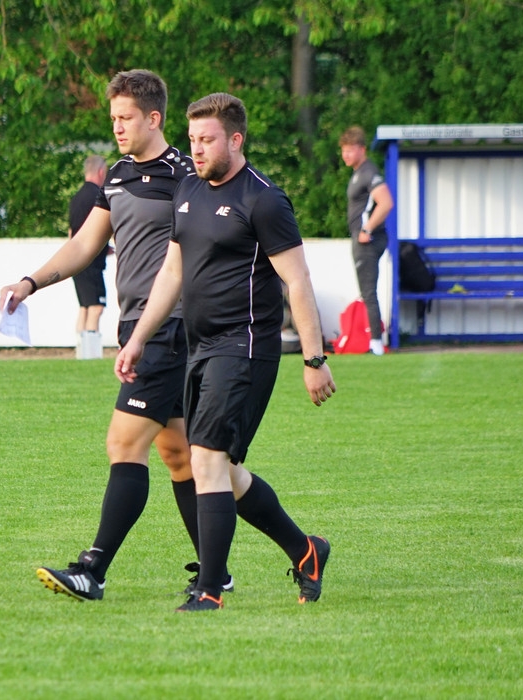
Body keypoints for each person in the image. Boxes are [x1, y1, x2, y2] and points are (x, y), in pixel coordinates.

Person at [0, 69, 226, 601]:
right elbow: (85, 246)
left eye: (126, 118)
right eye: (113, 118)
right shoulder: (119, 175)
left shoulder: (185, 175)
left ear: (154, 118)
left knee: (124, 443)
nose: (117, 128)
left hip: (170, 329)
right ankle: (226, 568)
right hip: (136, 328)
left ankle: (93, 570)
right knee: (180, 455)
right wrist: (30, 283)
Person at [115, 92, 336, 612]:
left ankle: (210, 590)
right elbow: (172, 271)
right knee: (225, 471)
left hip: (247, 347)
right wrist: (139, 337)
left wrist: (314, 360)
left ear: (235, 140)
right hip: (199, 347)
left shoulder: (264, 199)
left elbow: (298, 281)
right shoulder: (189, 188)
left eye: (207, 140)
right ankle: (306, 550)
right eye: (192, 139)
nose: (196, 149)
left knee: (207, 460)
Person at [340, 126, 394, 356]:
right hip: (362, 239)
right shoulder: (358, 173)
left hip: (367, 241)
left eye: (350, 150)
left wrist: (367, 229)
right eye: (343, 150)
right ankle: (374, 342)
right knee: (367, 291)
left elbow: (386, 202)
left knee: (369, 292)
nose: (346, 155)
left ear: (362, 149)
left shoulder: (368, 172)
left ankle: (376, 345)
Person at [69, 154, 109, 359]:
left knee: (84, 307)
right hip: (91, 264)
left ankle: (81, 352)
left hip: (75, 262)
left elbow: (73, 233)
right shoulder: (98, 197)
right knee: (96, 307)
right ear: (101, 172)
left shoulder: (76, 199)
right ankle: (91, 354)